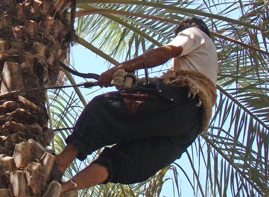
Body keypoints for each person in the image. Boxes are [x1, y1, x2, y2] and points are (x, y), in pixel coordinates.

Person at [53, 17, 218, 192]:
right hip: (188, 129)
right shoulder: (207, 61)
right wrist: (133, 83)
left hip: (178, 103)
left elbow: (166, 52)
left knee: (101, 109)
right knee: (123, 161)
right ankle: (61, 190)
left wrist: (120, 68)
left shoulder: (195, 33)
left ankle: (58, 165)